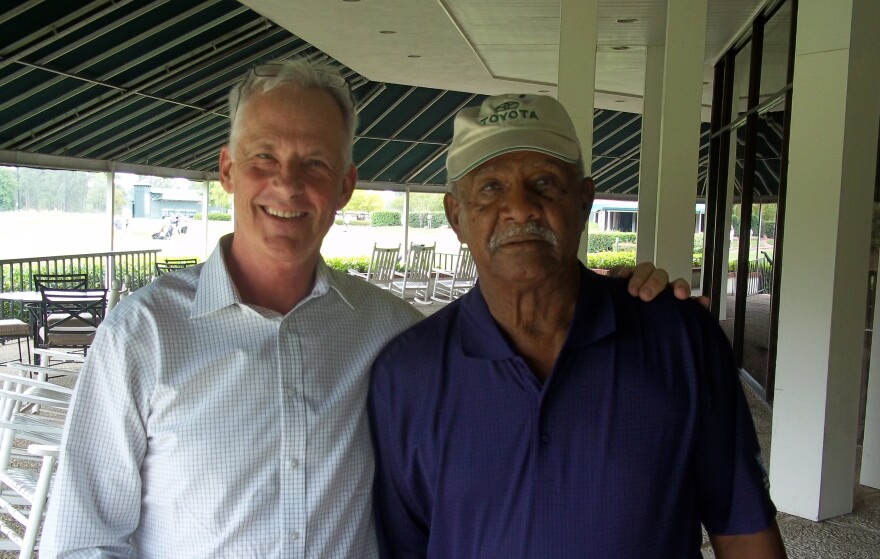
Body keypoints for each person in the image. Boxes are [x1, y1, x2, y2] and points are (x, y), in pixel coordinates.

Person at [41, 62, 686, 558]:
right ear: (228, 170)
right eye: (264, 157)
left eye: (315, 163)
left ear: (347, 185)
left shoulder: (392, 332)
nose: (287, 184)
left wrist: (628, 298)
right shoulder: (144, 335)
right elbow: (83, 538)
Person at [368, 94, 787, 558]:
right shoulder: (405, 373)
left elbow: (744, 531)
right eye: (489, 188)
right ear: (455, 216)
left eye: (544, 182)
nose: (519, 208)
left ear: (584, 201)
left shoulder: (681, 338)